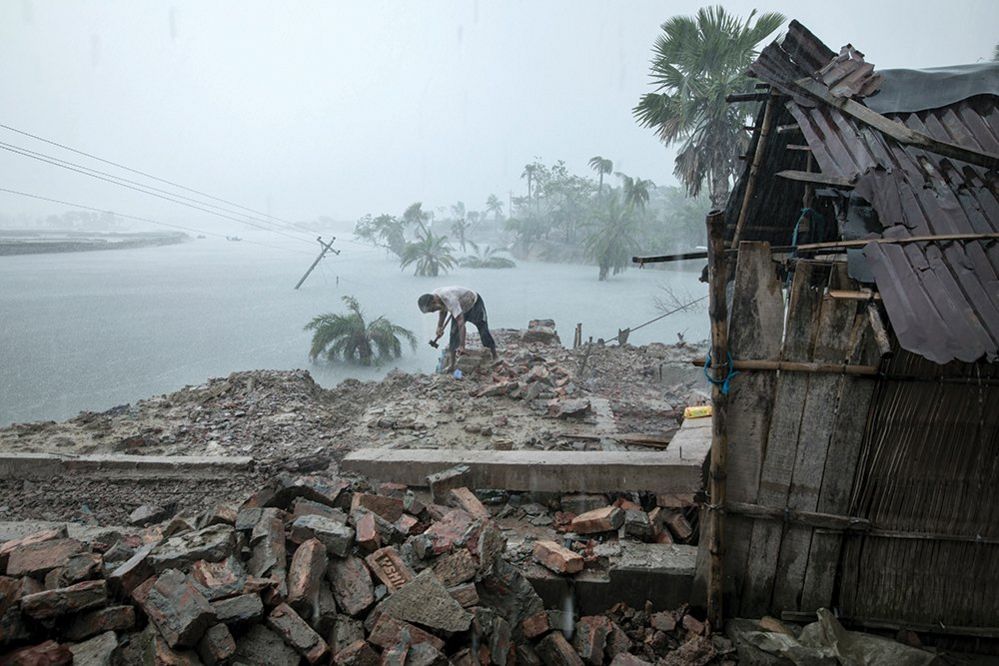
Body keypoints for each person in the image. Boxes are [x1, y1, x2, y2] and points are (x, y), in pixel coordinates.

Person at [418, 287, 498, 368]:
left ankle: (495, 356)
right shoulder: (434, 296)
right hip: (459, 307)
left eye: (432, 310)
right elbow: (442, 310)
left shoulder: (449, 299)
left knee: (483, 329)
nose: (433, 311)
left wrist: (462, 346)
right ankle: (452, 365)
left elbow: (461, 324)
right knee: (453, 334)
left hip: (473, 303)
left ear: (434, 302)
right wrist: (439, 326)